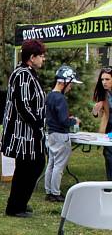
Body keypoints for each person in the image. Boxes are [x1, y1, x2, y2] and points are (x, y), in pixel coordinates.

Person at [1, 39, 47, 218]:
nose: (43, 59)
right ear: (32, 57)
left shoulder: (29, 73)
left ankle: (19, 203)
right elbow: (23, 105)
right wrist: (37, 123)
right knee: (31, 166)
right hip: (24, 133)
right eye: (41, 56)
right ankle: (15, 206)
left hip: (30, 132)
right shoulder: (22, 75)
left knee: (28, 167)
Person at [44, 65, 81, 203]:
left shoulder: (49, 96)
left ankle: (49, 191)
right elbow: (64, 121)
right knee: (59, 166)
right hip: (61, 135)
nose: (71, 87)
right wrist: (74, 121)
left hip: (51, 134)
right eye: (70, 84)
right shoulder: (60, 99)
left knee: (51, 164)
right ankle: (55, 193)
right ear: (62, 82)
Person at [92, 66, 112, 180]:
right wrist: (95, 111)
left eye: (107, 79)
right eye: (102, 79)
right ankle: (110, 183)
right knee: (108, 154)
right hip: (109, 129)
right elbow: (99, 114)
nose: (104, 82)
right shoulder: (104, 93)